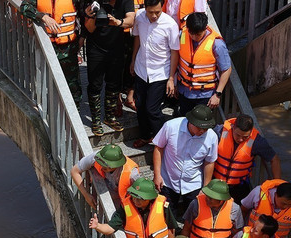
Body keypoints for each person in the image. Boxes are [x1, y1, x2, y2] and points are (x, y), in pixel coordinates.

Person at [89, 177, 176, 238]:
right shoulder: (125, 207)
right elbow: (110, 228)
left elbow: (171, 229)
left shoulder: (163, 206)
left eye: (140, 198)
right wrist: (98, 226)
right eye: (134, 196)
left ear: (149, 198)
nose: (136, 200)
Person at [128, 0, 179, 148]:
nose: (154, 15)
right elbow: (137, 38)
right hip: (141, 68)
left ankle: (164, 142)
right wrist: (133, 60)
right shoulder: (139, 17)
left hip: (160, 73)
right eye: (151, 12)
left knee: (152, 109)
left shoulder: (170, 24)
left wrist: (171, 78)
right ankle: (145, 136)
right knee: (140, 105)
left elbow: (175, 52)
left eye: (158, 12)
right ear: (145, 8)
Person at [152, 103, 218, 216]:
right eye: (199, 127)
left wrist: (205, 187)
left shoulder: (212, 137)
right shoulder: (171, 126)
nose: (202, 131)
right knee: (166, 215)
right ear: (191, 122)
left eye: (205, 128)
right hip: (168, 180)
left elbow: (209, 162)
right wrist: (157, 175)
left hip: (193, 183)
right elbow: (158, 148)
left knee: (193, 216)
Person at [83, 0, 134, 135]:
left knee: (114, 84)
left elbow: (131, 20)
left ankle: (109, 117)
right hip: (96, 49)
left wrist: (117, 22)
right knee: (95, 85)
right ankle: (95, 120)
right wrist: (91, 15)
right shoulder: (94, 2)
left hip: (116, 48)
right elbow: (89, 28)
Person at [20, 0, 82, 99]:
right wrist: (42, 16)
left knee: (72, 87)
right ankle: (48, 111)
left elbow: (83, 14)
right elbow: (24, 7)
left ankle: (74, 111)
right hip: (46, 48)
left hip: (69, 50)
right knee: (47, 84)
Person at [213, 113, 280, 203]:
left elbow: (274, 159)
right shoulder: (219, 132)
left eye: (245, 137)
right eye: (237, 135)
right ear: (233, 127)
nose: (240, 139)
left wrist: (277, 184)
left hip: (238, 187)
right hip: (216, 183)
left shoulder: (257, 142)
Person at [174, 12, 231, 117]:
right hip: (184, 91)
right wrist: (174, 82)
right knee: (184, 122)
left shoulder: (217, 44)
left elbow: (226, 69)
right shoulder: (182, 35)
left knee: (199, 127)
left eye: (198, 34)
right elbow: (177, 59)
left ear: (205, 28)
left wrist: (217, 94)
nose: (194, 37)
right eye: (191, 33)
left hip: (205, 95)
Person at [71, 143, 141, 210]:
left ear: (117, 164)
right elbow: (74, 171)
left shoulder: (132, 174)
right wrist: (86, 195)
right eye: (102, 163)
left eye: (108, 165)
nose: (103, 166)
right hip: (109, 193)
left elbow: (142, 195)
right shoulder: (97, 156)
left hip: (123, 202)